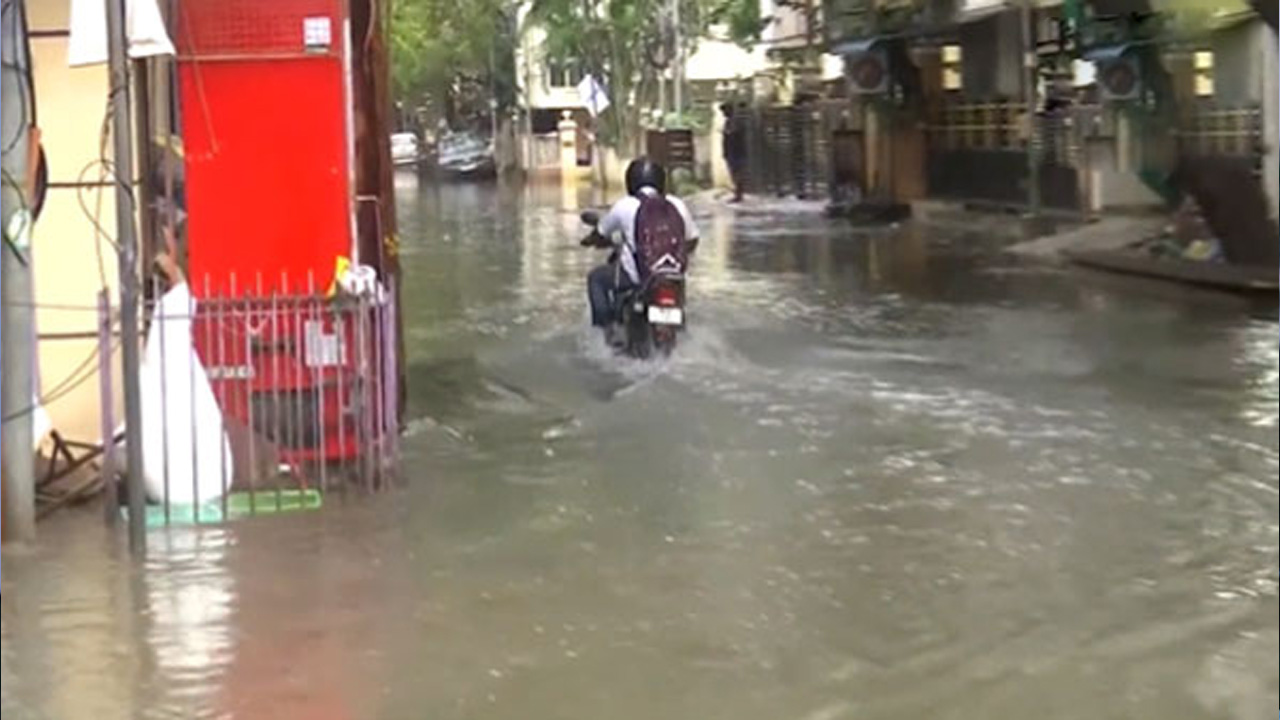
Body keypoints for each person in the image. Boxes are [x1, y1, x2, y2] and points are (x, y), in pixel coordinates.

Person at [584, 158, 699, 329]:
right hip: (673, 279)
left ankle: (604, 329)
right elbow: (693, 239)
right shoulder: (677, 204)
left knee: (595, 278)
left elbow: (600, 233)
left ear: (630, 181)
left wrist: (590, 240)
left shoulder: (625, 205)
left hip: (637, 278)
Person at [720, 102, 748, 202]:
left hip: (736, 151)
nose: (723, 114)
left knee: (737, 173)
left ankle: (739, 194)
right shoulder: (730, 121)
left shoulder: (735, 122)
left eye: (724, 111)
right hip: (732, 151)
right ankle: (738, 193)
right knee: (735, 173)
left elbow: (732, 134)